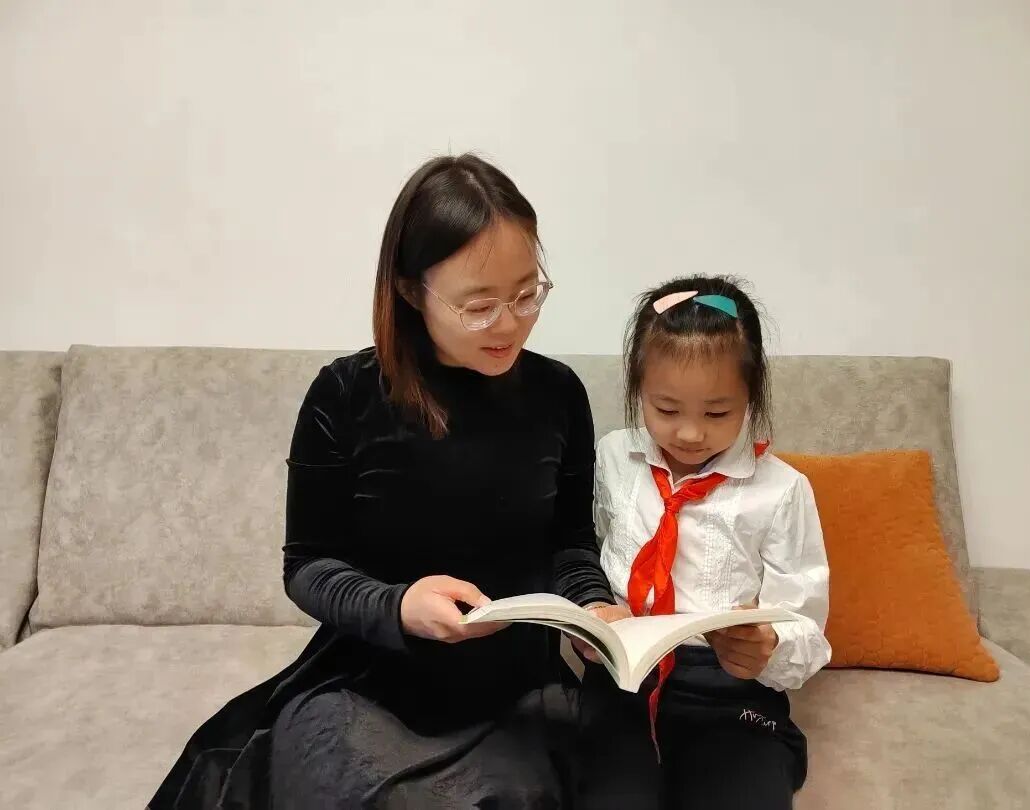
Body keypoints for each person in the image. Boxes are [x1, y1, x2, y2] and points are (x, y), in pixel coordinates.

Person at [148, 153, 618, 809]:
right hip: (366, 679)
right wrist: (398, 607)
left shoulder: (559, 393)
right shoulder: (344, 395)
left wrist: (595, 609)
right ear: (409, 291)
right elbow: (307, 567)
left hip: (512, 684)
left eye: (525, 294)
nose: (510, 323)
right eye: (479, 305)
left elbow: (570, 541)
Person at [575, 275, 831, 810]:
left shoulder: (782, 490)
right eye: (666, 409)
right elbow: (585, 549)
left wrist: (767, 645)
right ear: (637, 389)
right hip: (624, 683)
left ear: (751, 395)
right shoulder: (613, 458)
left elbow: (806, 625)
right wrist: (593, 617)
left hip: (728, 691)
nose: (690, 434)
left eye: (717, 413)